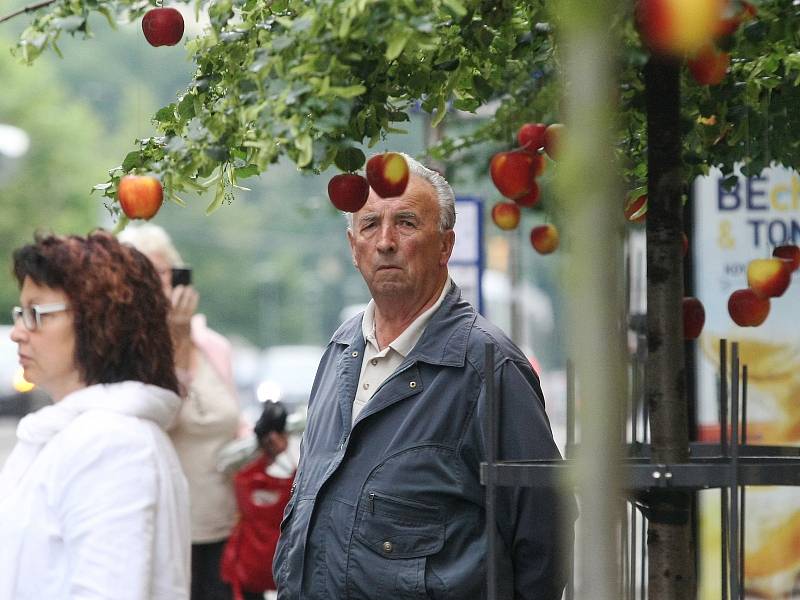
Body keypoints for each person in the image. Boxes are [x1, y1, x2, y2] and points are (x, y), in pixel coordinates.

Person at [273, 155, 576, 599]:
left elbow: (545, 539)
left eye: (408, 223)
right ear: (352, 245)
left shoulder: (488, 368)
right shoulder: (340, 351)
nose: (386, 241)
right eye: (370, 224)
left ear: (445, 246)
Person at [0, 231, 190, 599]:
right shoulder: (70, 431)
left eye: (35, 314)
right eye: (20, 313)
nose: (18, 333)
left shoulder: (112, 443)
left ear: (99, 320)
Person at [119, 223, 243, 600]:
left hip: (226, 525)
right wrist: (174, 338)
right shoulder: (125, 352)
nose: (156, 282)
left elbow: (231, 421)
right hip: (166, 533)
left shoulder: (213, 346)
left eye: (162, 271)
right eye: (143, 272)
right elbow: (161, 418)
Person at [221, 401, 293, 600]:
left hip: (249, 562)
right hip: (280, 560)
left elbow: (224, 466)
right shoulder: (293, 471)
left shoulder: (244, 476)